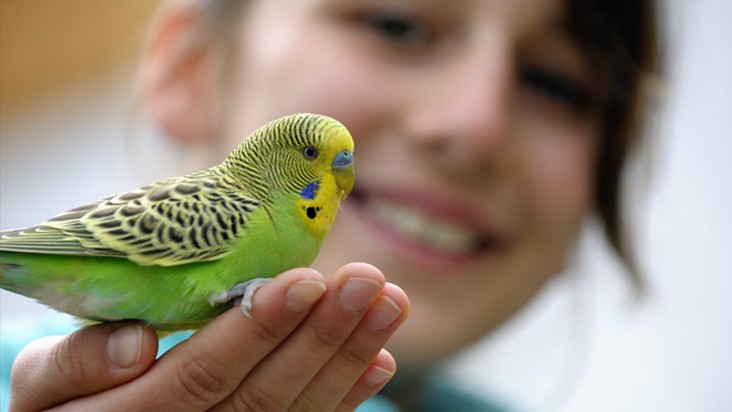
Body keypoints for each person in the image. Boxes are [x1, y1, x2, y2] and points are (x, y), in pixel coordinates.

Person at [3, 0, 659, 410]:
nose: (474, 124)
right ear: (189, 70)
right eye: (396, 25)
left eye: (554, 83)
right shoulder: (238, 211)